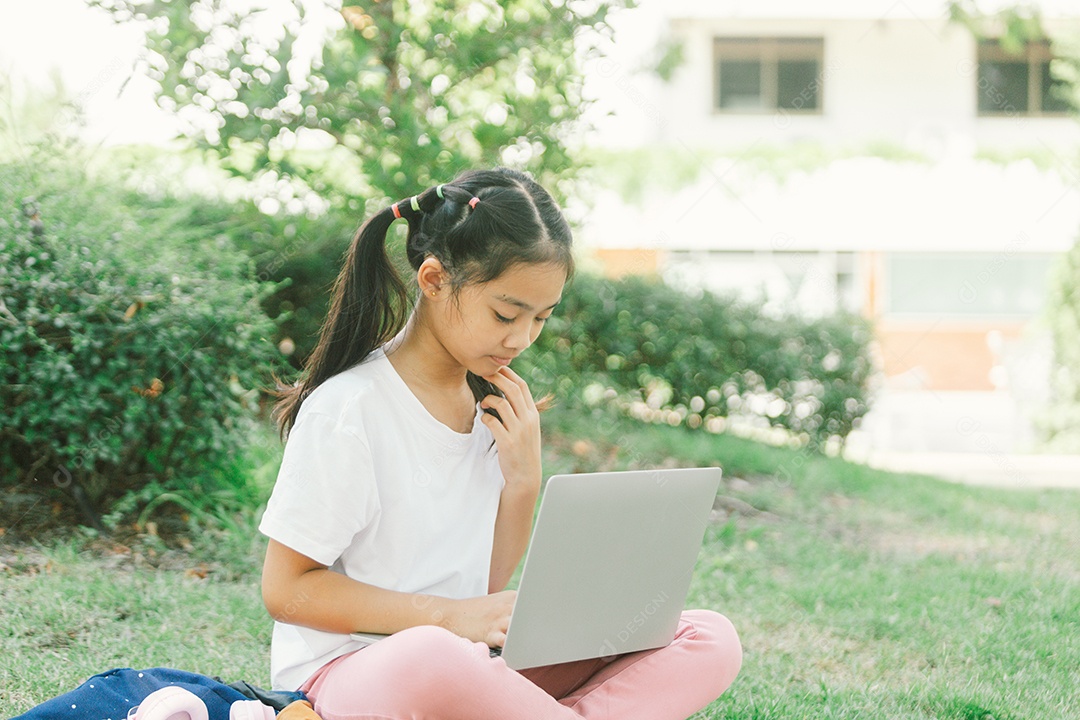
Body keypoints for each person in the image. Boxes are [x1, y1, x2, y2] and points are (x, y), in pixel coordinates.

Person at [259, 167, 742, 720]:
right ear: (435, 280)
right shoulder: (351, 410)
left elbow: (482, 588)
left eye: (541, 318)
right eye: (506, 314)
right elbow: (287, 591)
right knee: (431, 654)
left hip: (469, 660)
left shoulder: (492, 404)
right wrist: (448, 619)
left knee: (707, 637)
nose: (521, 339)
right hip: (355, 673)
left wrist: (523, 483)